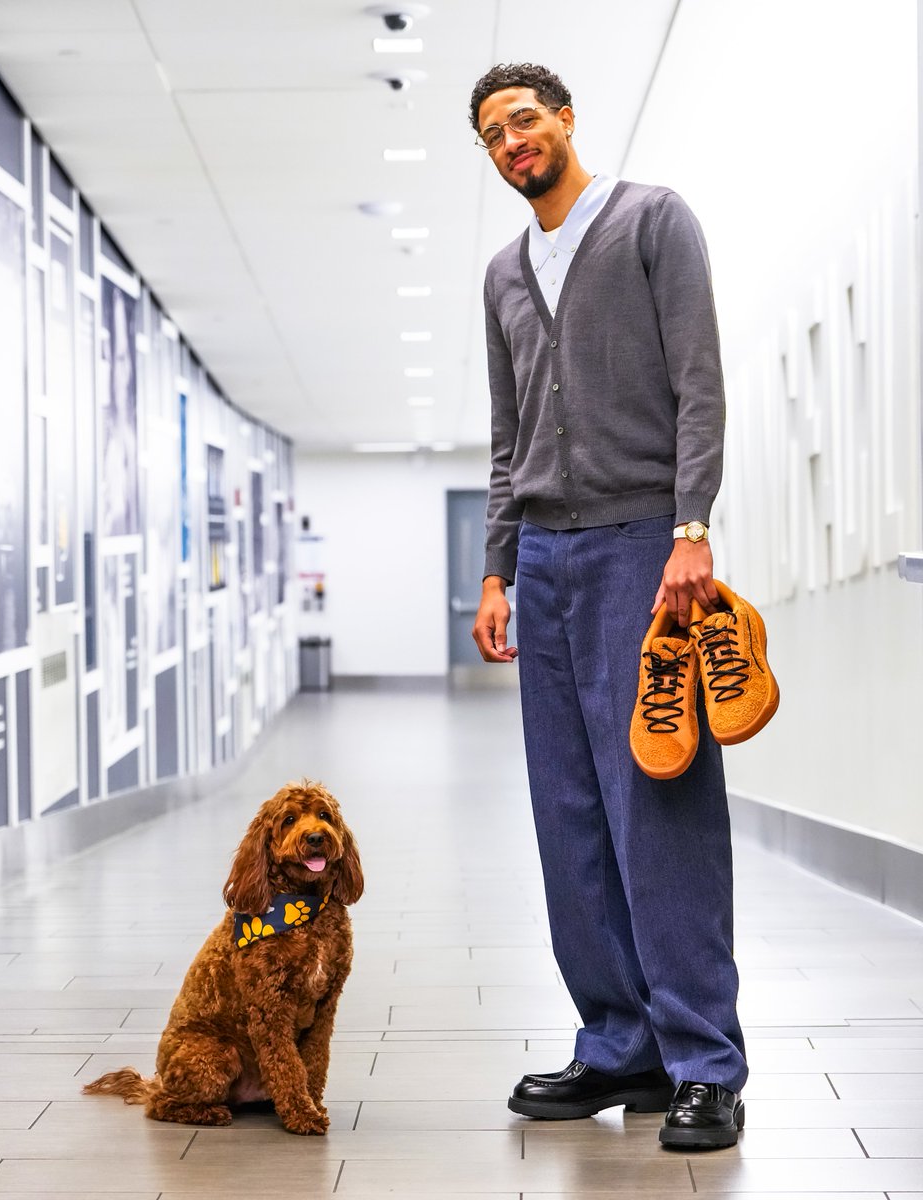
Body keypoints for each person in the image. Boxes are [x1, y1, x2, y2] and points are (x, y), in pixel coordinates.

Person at [469, 63, 747, 1151]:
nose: (511, 143)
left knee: (660, 795)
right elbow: (505, 441)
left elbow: (700, 380)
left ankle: (704, 1063)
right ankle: (618, 1044)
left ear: (566, 120)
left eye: (524, 121)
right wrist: (497, 566)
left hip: (642, 541)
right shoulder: (500, 273)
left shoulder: (650, 222)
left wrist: (691, 524)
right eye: (492, 134)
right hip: (541, 557)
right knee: (569, 810)